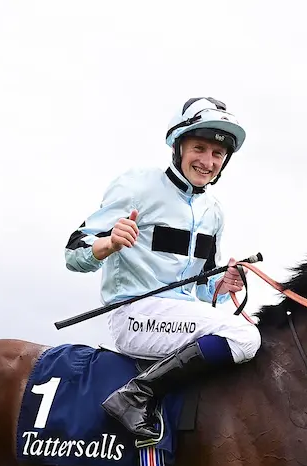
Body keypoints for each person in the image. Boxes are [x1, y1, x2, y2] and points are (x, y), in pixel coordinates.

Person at [63, 96, 262, 442]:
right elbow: (73, 252)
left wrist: (223, 283)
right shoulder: (138, 186)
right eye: (199, 148)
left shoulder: (214, 212)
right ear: (177, 146)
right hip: (134, 314)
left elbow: (202, 290)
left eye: (217, 154)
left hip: (178, 315)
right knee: (245, 337)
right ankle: (135, 395)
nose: (207, 162)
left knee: (261, 332)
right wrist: (109, 243)